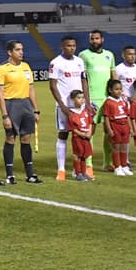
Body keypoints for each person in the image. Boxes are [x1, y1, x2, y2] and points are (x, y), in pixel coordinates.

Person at [0, 40, 41, 184]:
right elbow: (0, 94)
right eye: (18, 50)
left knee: (26, 139)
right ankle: (10, 175)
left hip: (26, 105)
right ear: (10, 52)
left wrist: (36, 109)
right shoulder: (2, 69)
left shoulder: (26, 67)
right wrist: (5, 115)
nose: (21, 52)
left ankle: (30, 174)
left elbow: (31, 89)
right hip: (11, 105)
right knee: (11, 139)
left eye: (22, 49)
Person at [48, 35, 86, 182]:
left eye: (73, 45)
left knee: (80, 138)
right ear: (62, 47)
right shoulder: (56, 63)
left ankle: (79, 171)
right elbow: (52, 85)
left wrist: (86, 102)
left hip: (80, 106)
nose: (71, 48)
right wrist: (62, 106)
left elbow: (84, 81)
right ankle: (61, 169)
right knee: (63, 135)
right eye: (68, 46)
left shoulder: (79, 62)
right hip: (64, 106)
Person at [79, 29, 116, 164]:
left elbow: (114, 75)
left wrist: (117, 94)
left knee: (109, 131)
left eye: (97, 38)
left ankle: (108, 163)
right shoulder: (83, 55)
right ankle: (88, 164)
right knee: (90, 131)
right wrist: (86, 99)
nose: (95, 41)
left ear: (102, 40)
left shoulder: (109, 55)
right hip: (92, 99)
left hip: (107, 99)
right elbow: (82, 78)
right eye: (92, 39)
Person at [102, 79, 133, 174]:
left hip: (124, 126)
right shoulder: (108, 102)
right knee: (116, 147)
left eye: (120, 89)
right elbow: (106, 117)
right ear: (110, 90)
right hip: (115, 125)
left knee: (124, 146)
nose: (119, 91)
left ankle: (124, 165)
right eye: (116, 89)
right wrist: (109, 129)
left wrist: (130, 128)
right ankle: (117, 167)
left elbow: (127, 115)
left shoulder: (123, 101)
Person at [66, 90, 94, 181]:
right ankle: (78, 173)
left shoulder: (85, 111)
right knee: (77, 155)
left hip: (86, 137)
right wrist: (81, 134)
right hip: (77, 138)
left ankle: (83, 172)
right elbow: (72, 128)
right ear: (73, 100)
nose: (81, 100)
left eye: (82, 98)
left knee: (84, 155)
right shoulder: (71, 113)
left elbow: (90, 122)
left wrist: (89, 133)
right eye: (79, 98)